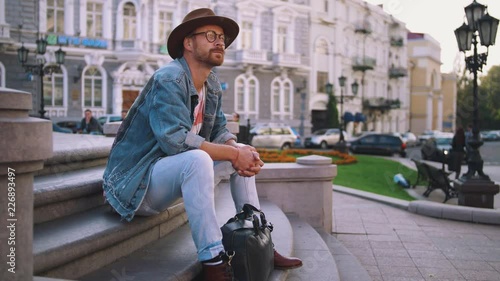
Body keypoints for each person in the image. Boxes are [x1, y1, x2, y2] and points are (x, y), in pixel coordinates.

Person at [102, 8, 302, 281]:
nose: (220, 41)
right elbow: (175, 141)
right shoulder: (169, 79)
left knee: (238, 149)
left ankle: (260, 239)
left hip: (167, 175)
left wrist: (240, 151)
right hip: (134, 184)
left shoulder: (212, 84)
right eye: (210, 35)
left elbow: (219, 130)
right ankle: (214, 264)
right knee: (198, 159)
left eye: (221, 37)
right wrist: (233, 153)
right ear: (188, 42)